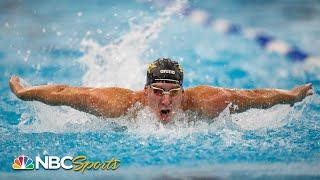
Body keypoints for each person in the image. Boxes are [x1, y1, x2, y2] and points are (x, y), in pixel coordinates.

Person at [9, 58, 313, 123]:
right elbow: (69, 92)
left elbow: (252, 97)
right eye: (157, 91)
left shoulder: (206, 102)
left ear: (184, 91)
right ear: (144, 91)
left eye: (173, 92)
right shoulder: (119, 104)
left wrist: (290, 97)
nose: (165, 99)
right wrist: (28, 92)